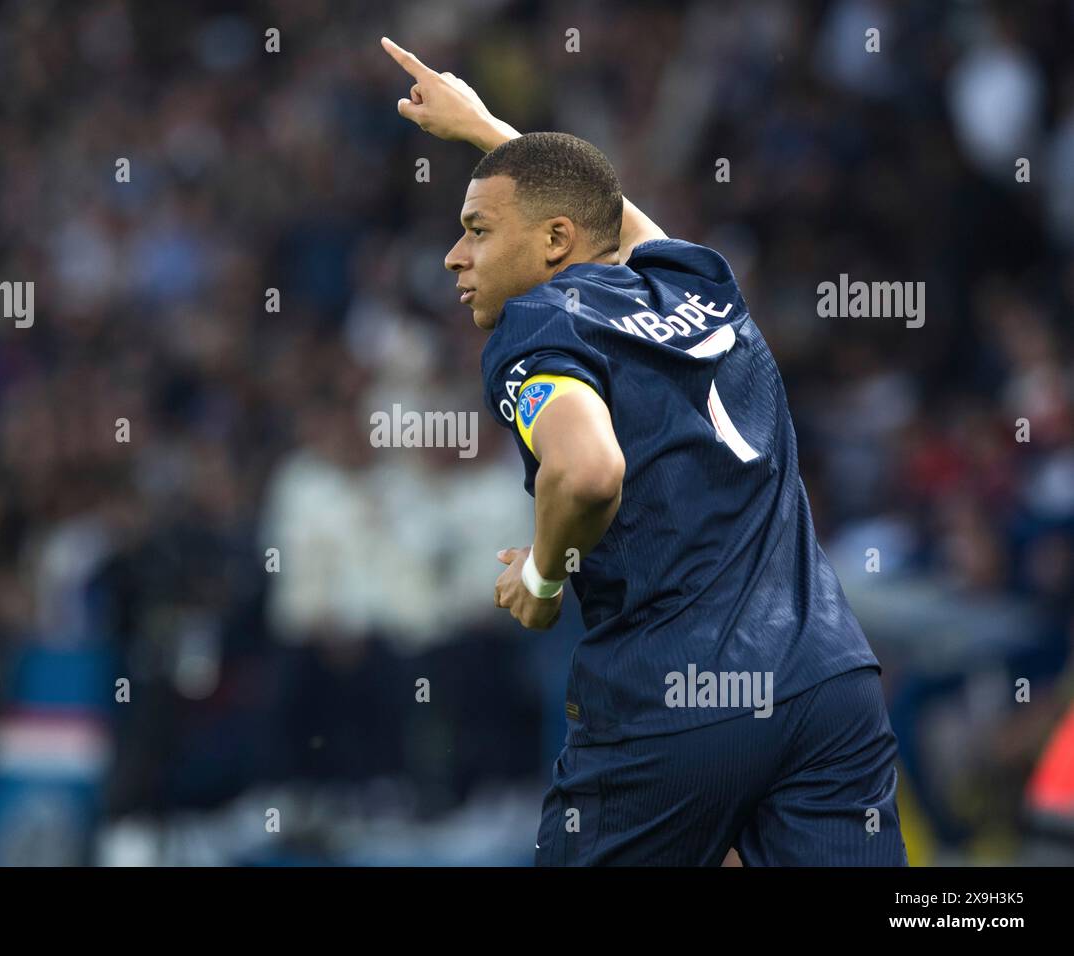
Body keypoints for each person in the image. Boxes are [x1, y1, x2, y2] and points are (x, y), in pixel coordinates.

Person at [381, 36, 909, 866]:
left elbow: (587, 471)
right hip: (828, 681)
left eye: (478, 230)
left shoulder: (542, 325)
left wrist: (542, 577)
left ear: (554, 242)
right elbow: (608, 212)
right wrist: (486, 129)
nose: (456, 254)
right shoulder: (696, 283)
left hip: (677, 700)